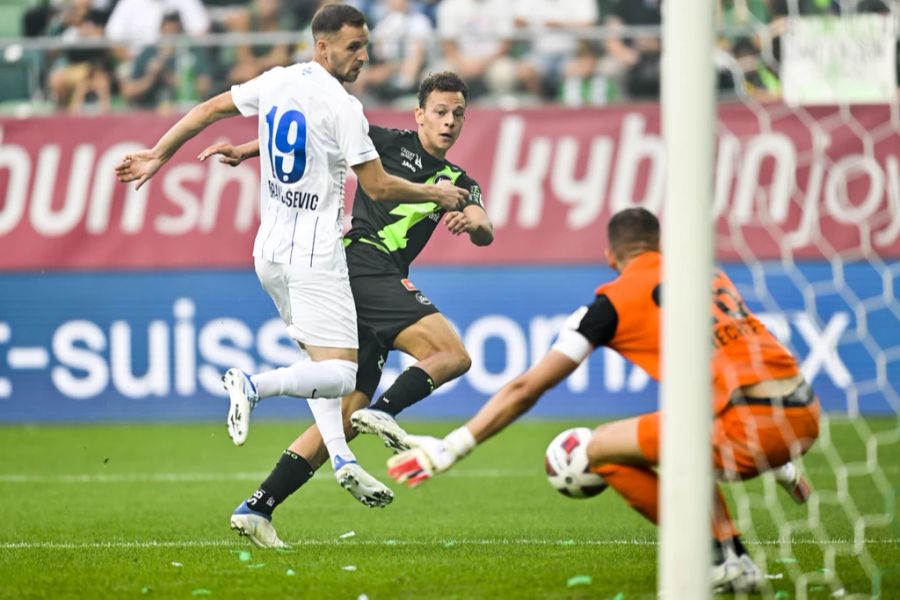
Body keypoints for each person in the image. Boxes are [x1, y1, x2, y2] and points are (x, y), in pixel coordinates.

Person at [114, 3, 469, 548]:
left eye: (365, 45)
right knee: (346, 377)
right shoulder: (344, 107)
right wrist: (436, 194)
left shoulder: (278, 81)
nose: (363, 56)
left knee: (339, 394)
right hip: (320, 256)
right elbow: (376, 187)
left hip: (268, 251)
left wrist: (160, 155)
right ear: (323, 47)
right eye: (354, 46)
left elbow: (210, 108)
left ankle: (275, 498)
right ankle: (253, 385)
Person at [384, 207, 819, 593]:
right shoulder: (709, 275)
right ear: (660, 245)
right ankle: (732, 558)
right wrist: (781, 467)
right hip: (803, 411)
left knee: (591, 451)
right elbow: (738, 361)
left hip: (747, 427)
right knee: (684, 425)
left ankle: (723, 558)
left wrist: (452, 446)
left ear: (611, 258)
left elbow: (527, 388)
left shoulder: (610, 305)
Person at [197, 70, 493, 547]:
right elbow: (316, 141)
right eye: (440, 111)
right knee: (452, 355)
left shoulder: (459, 181)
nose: (449, 121)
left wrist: (471, 223)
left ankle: (258, 506)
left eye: (458, 113)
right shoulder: (386, 141)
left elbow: (484, 225)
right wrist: (248, 152)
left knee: (345, 415)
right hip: (361, 263)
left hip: (362, 279)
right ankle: (387, 413)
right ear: (419, 114)